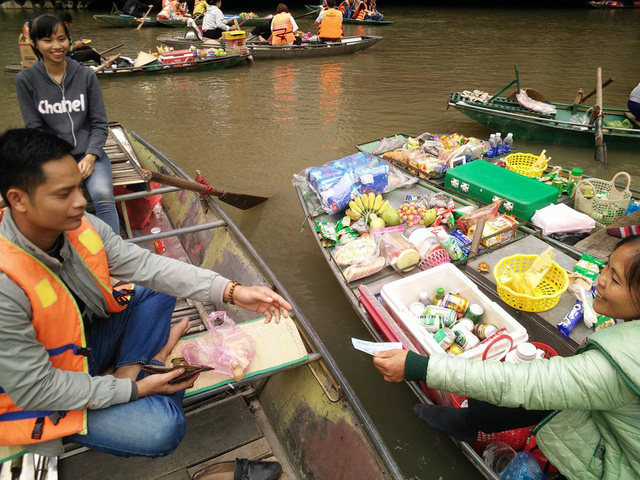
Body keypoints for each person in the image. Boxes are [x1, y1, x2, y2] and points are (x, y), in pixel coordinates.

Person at [0, 127, 293, 459]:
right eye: (63, 194)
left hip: (88, 346)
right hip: (47, 392)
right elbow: (38, 390)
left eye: (80, 188)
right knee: (161, 429)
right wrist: (136, 389)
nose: (82, 201)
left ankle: (133, 365)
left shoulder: (84, 228)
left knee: (158, 287)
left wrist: (231, 291)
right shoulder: (5, 285)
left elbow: (149, 268)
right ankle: (150, 363)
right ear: (18, 200)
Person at [373, 238, 640, 479]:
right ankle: (468, 421)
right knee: (548, 380)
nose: (601, 279)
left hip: (618, 467)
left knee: (534, 385)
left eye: (615, 280)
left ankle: (468, 421)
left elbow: (519, 383)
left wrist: (418, 366)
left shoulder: (618, 366)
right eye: (606, 267)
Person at [16, 14, 120, 234]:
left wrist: (91, 156)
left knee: (102, 195)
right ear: (35, 43)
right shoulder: (26, 80)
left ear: (69, 40)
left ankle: (116, 254)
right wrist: (60, 162)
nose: (57, 46)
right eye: (47, 40)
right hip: (52, 157)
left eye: (61, 39)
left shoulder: (85, 76)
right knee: (54, 201)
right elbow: (35, 131)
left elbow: (100, 124)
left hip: (90, 154)